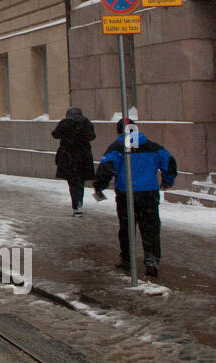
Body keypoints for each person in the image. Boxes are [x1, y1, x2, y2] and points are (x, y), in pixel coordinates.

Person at [93, 120, 177, 279]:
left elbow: (105, 168)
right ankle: (152, 259)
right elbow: (169, 161)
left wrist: (99, 187)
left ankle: (127, 258)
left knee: (126, 227)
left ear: (119, 132)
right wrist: (168, 180)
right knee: (150, 226)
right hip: (148, 193)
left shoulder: (116, 148)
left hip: (127, 194)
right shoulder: (153, 146)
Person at [52, 106, 96, 215]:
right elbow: (92, 136)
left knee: (72, 182)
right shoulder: (86, 122)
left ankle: (76, 205)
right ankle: (79, 203)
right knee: (80, 181)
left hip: (69, 156)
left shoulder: (65, 123)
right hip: (84, 156)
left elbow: (55, 134)